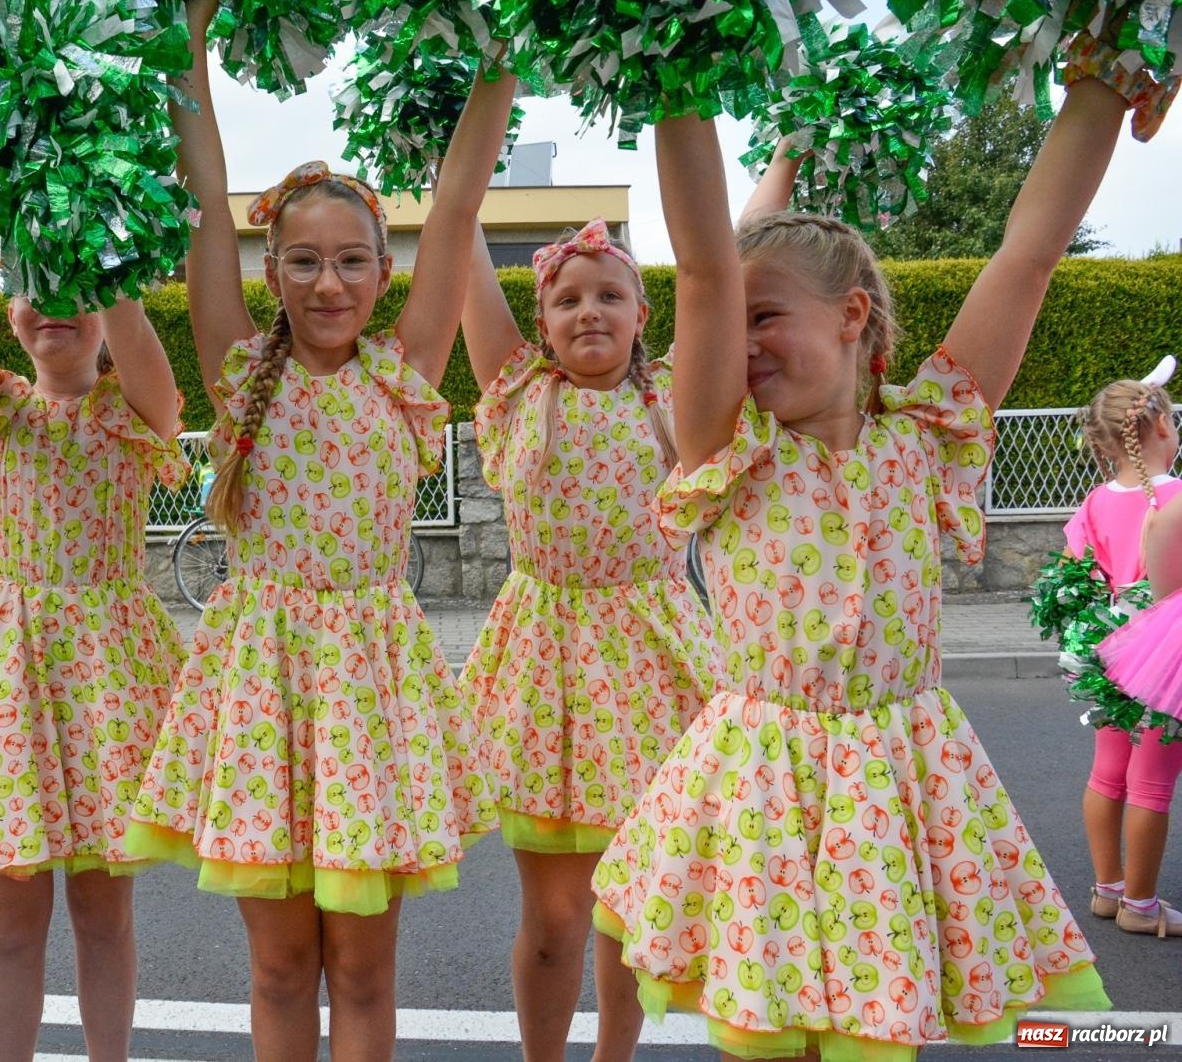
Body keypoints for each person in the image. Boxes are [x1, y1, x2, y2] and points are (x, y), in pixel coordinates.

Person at [592, 65, 1143, 1058]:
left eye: (767, 317)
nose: (739, 342)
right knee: (773, 1034)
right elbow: (706, 270)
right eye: (731, 321)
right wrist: (675, 60)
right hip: (761, 782)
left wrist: (1104, 82)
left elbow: (1027, 257)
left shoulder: (926, 436)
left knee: (873, 1035)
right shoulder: (729, 446)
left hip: (897, 778)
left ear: (852, 316)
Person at [126, 0, 517, 1057]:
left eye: (352, 260)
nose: (329, 282)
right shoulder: (238, 366)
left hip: (371, 685)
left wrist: (507, 44)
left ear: (384, 273)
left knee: (364, 970)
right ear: (272, 274)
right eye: (302, 261)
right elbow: (205, 198)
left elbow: (457, 204)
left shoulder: (406, 372)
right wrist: (190, 37)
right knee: (279, 968)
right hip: (260, 681)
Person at [0, 260, 187, 1060]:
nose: (57, 303)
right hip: (9, 682)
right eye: (37, 285)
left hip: (108, 683)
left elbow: (136, 330)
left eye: (79, 288)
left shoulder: (137, 411)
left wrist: (107, 246)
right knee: (10, 924)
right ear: (11, 312)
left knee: (104, 918)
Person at [457, 218, 721, 1060]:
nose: (589, 311)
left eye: (610, 295)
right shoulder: (517, 395)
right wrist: (448, 168)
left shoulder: (674, 395)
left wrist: (786, 158)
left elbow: (725, 264)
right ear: (542, 323)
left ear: (644, 314)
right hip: (545, 671)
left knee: (630, 909)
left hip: (657, 668)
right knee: (554, 919)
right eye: (566, 300)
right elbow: (462, 252)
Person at [1065, 375, 1182, 937]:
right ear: (1161, 425)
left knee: (1109, 770)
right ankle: (1141, 905)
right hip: (1166, 653)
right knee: (1152, 779)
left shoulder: (1096, 500)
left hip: (1109, 648)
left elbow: (1078, 571)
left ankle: (1108, 889)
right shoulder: (1176, 497)